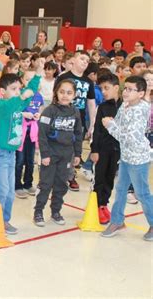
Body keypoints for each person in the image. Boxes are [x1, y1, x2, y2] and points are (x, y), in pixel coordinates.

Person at [0, 57, 43, 234]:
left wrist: (38, 74)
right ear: (2, 91)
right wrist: (23, 95)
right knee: (1, 190)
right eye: (14, 89)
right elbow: (15, 103)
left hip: (10, 154)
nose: (18, 92)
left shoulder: (17, 101)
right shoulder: (1, 105)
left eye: (19, 88)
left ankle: (3, 220)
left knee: (9, 192)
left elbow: (29, 92)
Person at [101, 76, 153, 241]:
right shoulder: (125, 105)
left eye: (131, 89)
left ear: (141, 93)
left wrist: (110, 126)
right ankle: (117, 221)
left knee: (142, 193)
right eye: (126, 88)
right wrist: (112, 124)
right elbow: (119, 124)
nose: (126, 92)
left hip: (138, 159)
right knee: (121, 190)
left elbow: (128, 137)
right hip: (126, 156)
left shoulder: (141, 110)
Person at [33, 79, 83, 226]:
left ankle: (56, 211)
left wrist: (78, 154)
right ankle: (38, 211)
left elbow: (78, 134)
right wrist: (45, 154)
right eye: (62, 92)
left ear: (74, 95)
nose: (65, 96)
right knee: (46, 183)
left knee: (61, 183)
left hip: (67, 154)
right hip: (51, 154)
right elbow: (42, 134)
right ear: (56, 92)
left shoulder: (75, 112)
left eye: (69, 93)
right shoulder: (49, 111)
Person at [55, 51, 96, 191]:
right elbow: (55, 97)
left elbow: (91, 103)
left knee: (74, 150)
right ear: (73, 59)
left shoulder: (88, 81)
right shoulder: (64, 77)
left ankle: (70, 176)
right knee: (59, 147)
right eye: (82, 58)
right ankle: (55, 174)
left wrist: (92, 123)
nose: (85, 62)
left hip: (78, 120)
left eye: (87, 60)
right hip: (62, 118)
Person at [90, 72, 122, 224]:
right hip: (102, 149)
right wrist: (94, 150)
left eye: (106, 88)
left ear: (116, 87)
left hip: (117, 150)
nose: (103, 91)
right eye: (101, 88)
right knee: (100, 178)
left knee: (110, 178)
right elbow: (97, 130)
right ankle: (97, 206)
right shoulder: (102, 107)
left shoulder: (125, 106)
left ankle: (104, 205)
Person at [15, 69, 44, 199]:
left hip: (32, 132)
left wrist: (39, 115)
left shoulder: (39, 96)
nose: (31, 83)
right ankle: (17, 185)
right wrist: (23, 115)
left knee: (30, 159)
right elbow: (14, 112)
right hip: (20, 132)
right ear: (22, 81)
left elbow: (41, 110)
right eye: (27, 79)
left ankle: (28, 183)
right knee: (19, 160)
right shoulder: (20, 95)